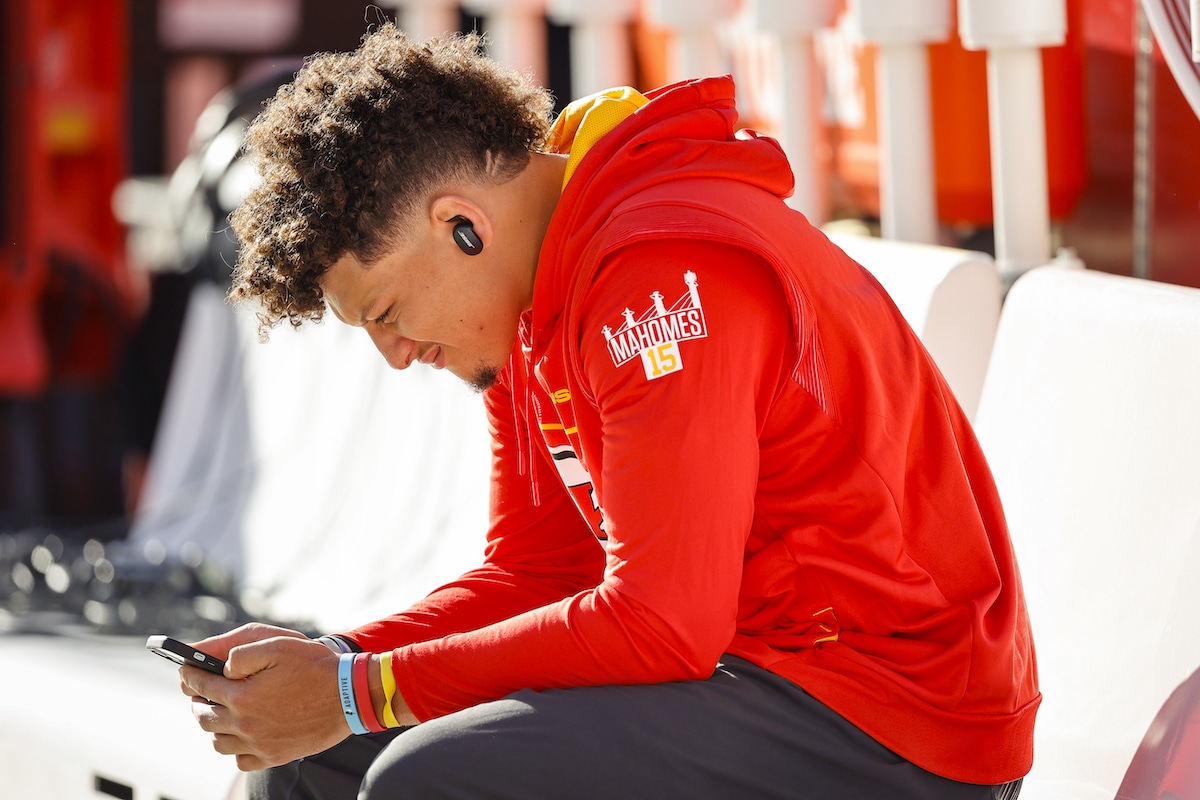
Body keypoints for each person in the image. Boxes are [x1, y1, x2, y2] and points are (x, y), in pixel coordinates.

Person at [178, 24, 1039, 799]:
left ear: (460, 226)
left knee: (423, 782)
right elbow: (537, 573)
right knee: (304, 761)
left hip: (896, 722)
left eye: (387, 314)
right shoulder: (530, 295)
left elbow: (665, 622)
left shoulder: (657, 272)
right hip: (755, 677)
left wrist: (359, 693)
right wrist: (331, 667)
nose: (396, 356)